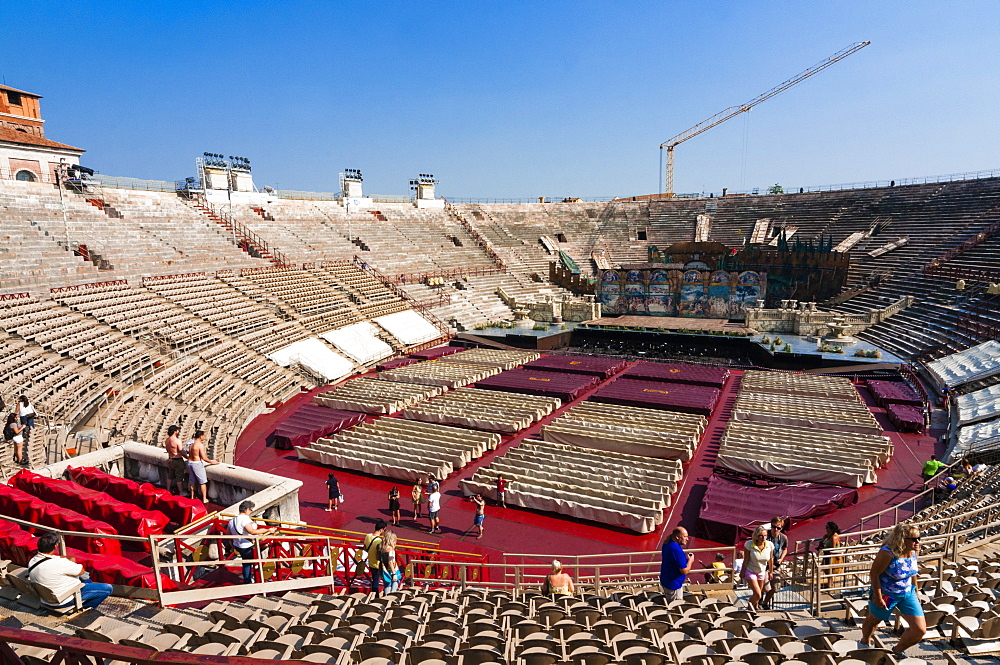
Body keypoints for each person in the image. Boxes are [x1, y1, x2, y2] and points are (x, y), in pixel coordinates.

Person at [860, 524, 926, 654]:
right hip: (887, 594)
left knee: (919, 630)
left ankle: (897, 651)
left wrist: (916, 591)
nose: (918, 541)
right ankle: (865, 641)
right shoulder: (887, 553)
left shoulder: (914, 551)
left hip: (908, 593)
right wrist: (878, 597)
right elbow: (874, 574)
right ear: (902, 539)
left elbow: (912, 572)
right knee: (874, 620)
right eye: (913, 539)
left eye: (919, 537)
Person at [28, 533, 112, 610]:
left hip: (45, 599)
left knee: (87, 581)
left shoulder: (33, 561)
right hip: (64, 600)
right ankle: (86, 608)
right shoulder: (59, 563)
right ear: (56, 546)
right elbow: (81, 571)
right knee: (107, 588)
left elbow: (55, 560)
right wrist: (70, 561)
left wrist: (68, 560)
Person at [227, 501, 278, 584]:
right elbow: (252, 531)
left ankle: (251, 577)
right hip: (247, 546)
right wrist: (268, 530)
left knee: (247, 562)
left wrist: (232, 546)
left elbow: (228, 534)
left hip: (238, 546)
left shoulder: (232, 520)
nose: (251, 512)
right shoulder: (245, 519)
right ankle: (253, 578)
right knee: (253, 559)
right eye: (251, 510)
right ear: (247, 509)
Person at [761, 516, 790, 610]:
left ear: (781, 528)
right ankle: (759, 600)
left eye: (778, 528)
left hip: (775, 566)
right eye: (773, 527)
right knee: (764, 586)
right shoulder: (765, 536)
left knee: (775, 586)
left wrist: (781, 559)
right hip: (764, 565)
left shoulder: (783, 538)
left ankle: (765, 603)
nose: (775, 529)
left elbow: (785, 549)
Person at [660, 526, 695, 602]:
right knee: (675, 604)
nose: (687, 539)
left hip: (666, 579)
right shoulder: (676, 550)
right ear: (677, 537)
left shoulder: (667, 543)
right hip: (673, 584)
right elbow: (684, 571)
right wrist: (690, 561)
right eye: (685, 537)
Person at [743, 525, 774, 611]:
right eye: (761, 535)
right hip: (750, 571)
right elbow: (746, 559)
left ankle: (755, 608)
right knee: (758, 595)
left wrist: (771, 572)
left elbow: (771, 559)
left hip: (761, 571)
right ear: (756, 536)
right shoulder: (749, 544)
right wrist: (742, 572)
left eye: (765, 535)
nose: (763, 538)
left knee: (758, 593)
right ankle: (749, 608)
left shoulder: (770, 545)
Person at [186, 430, 219, 503]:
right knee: (202, 482)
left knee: (192, 481)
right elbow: (204, 457)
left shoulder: (191, 443)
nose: (204, 437)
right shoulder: (199, 445)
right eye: (204, 435)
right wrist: (211, 462)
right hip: (196, 464)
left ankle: (192, 496)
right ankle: (204, 499)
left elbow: (187, 452)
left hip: (189, 463)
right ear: (200, 436)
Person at [359, 520, 386, 594]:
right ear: (381, 530)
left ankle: (374, 594)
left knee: (375, 579)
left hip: (370, 562)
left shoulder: (368, 536)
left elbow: (365, 547)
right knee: (382, 579)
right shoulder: (379, 541)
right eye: (384, 530)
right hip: (377, 563)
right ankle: (376, 594)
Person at [163, 425, 185, 495]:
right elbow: (181, 451)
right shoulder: (177, 441)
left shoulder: (167, 440)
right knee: (179, 477)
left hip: (170, 459)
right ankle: (181, 492)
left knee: (170, 476)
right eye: (177, 430)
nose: (178, 431)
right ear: (175, 431)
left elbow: (167, 449)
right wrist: (187, 457)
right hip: (177, 460)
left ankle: (168, 489)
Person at [379, 529, 401, 595]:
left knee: (387, 584)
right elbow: (390, 561)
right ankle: (392, 596)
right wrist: (394, 573)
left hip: (384, 568)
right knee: (395, 581)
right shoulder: (390, 549)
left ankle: (386, 598)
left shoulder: (381, 547)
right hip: (392, 568)